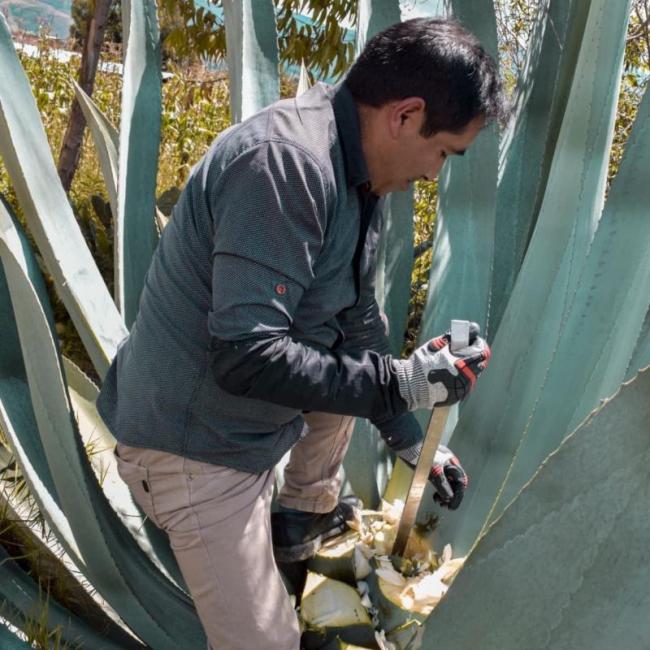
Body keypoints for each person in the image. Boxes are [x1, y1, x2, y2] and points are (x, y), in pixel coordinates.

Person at [97, 16, 503, 650]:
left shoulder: (356, 167)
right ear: (405, 115)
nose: (434, 173)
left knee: (350, 355)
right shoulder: (286, 165)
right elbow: (248, 357)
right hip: (195, 449)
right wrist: (398, 383)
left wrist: (408, 436)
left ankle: (297, 522)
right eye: (444, 152)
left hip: (251, 425)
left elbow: (352, 315)